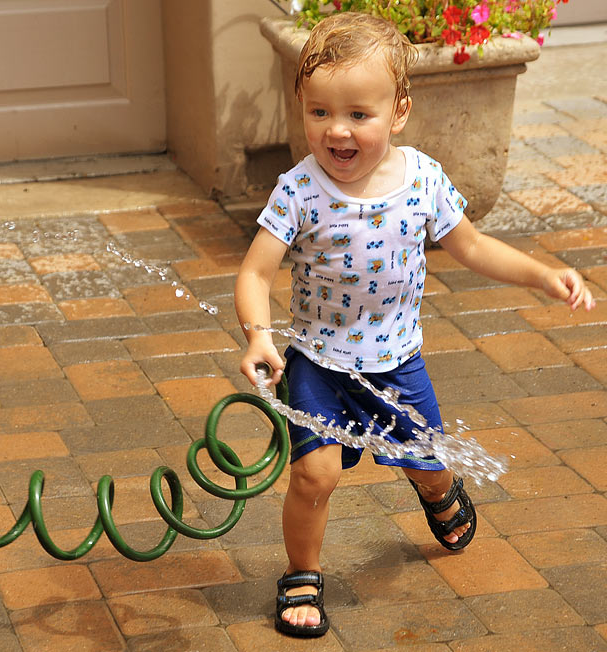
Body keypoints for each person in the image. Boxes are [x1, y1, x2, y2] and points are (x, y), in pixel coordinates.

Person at [234, 11, 595, 639]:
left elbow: (475, 248)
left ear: (398, 110)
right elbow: (256, 273)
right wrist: (258, 334)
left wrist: (540, 274)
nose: (336, 130)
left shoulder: (423, 180)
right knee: (313, 475)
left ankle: (438, 489)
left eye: (357, 115)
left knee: (425, 463)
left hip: (397, 365)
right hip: (318, 364)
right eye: (318, 112)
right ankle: (302, 573)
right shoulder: (299, 191)